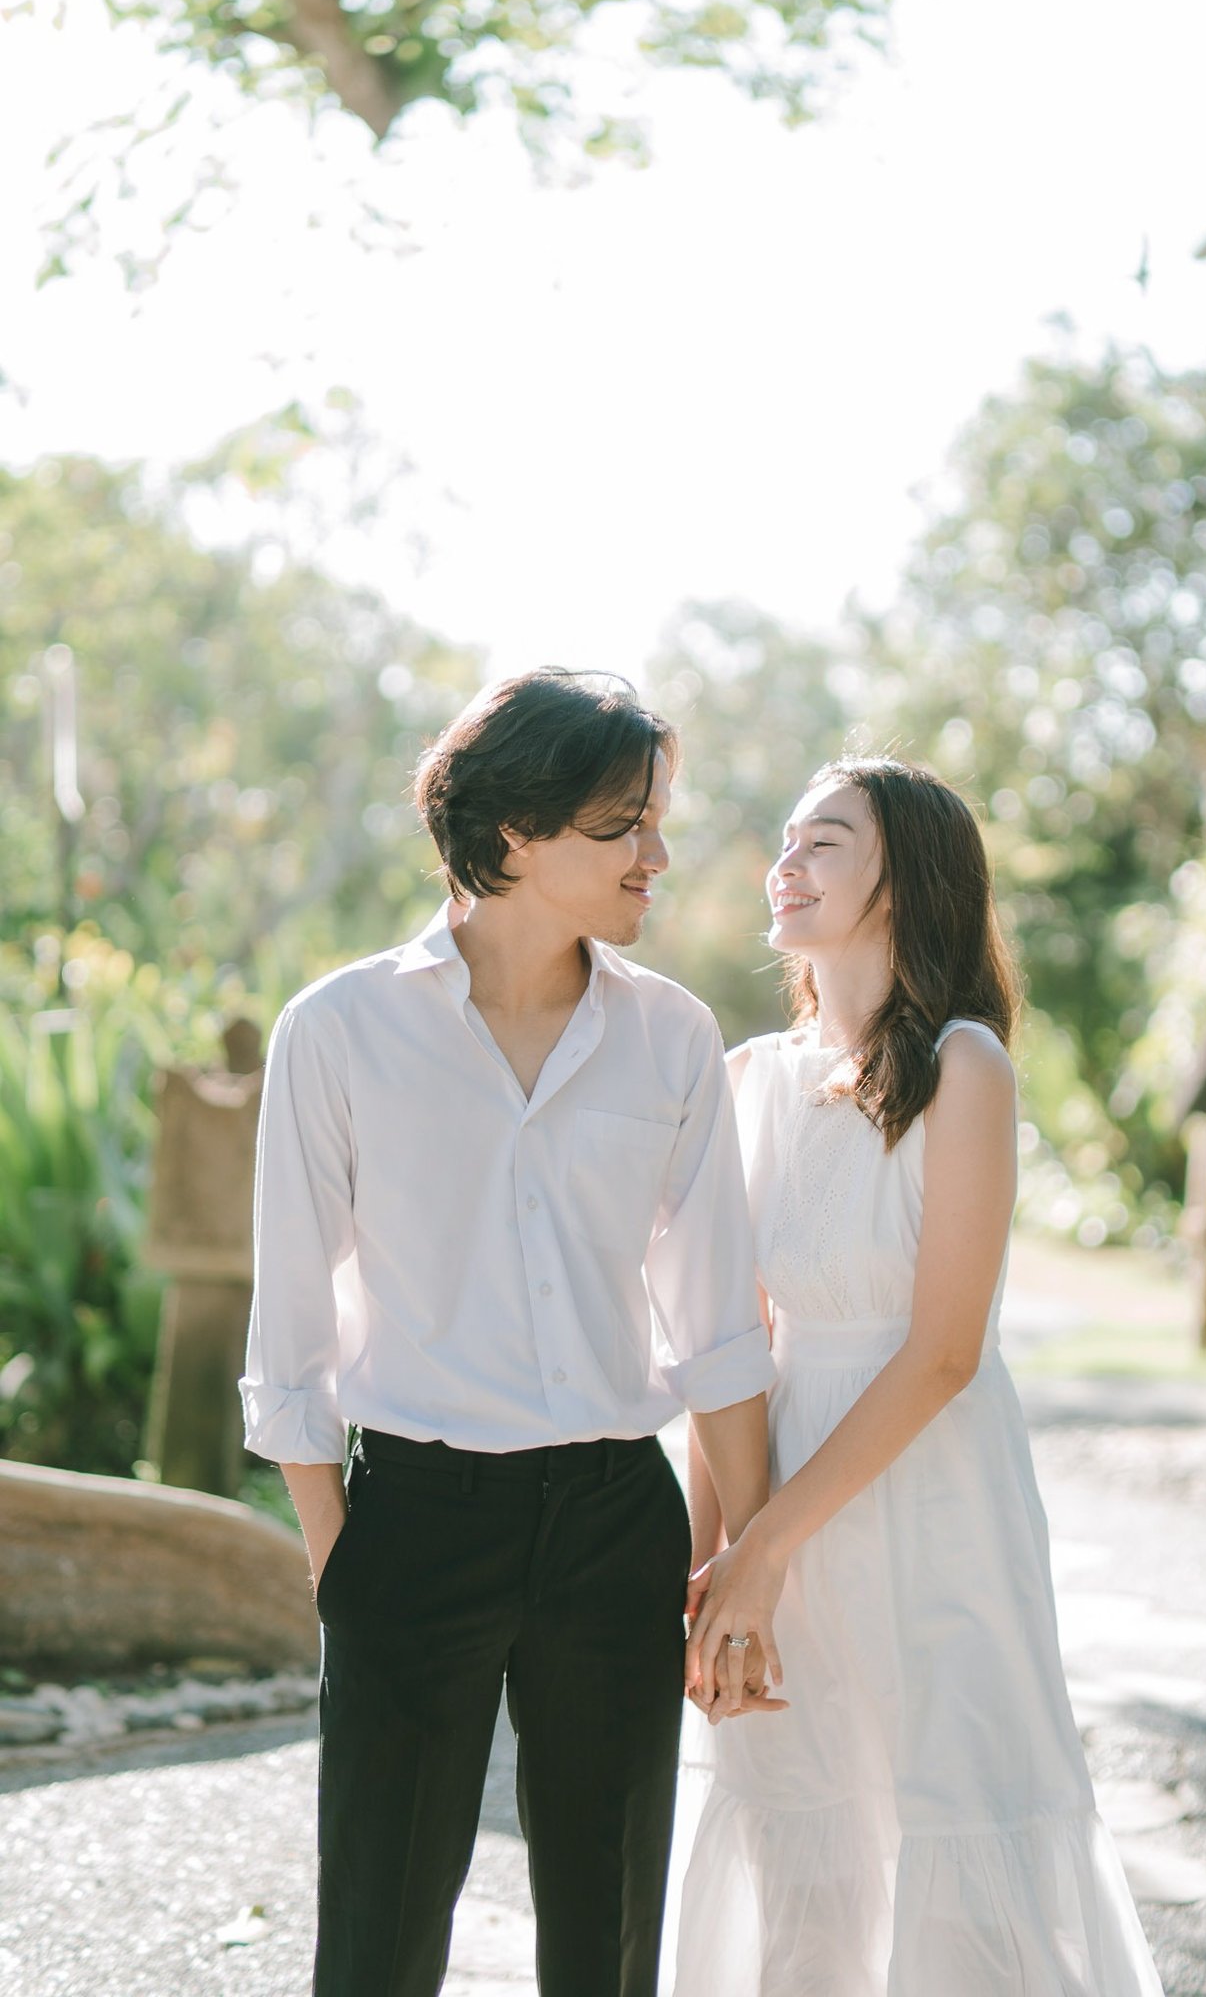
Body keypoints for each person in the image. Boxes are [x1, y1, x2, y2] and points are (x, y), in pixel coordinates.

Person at [240, 669, 776, 1997]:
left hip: (613, 1520)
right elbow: (291, 1340)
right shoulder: (341, 1032)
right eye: (624, 828)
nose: (659, 855)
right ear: (515, 836)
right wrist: (343, 1566)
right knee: (380, 1935)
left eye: (658, 822)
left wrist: (748, 1569)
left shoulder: (672, 1041)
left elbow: (718, 1334)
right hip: (411, 1516)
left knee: (608, 1942)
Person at [672, 755, 1164, 1996]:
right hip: (779, 1492)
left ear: (908, 880)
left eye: (825, 841)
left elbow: (944, 1353)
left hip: (936, 1504)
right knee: (803, 1841)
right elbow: (734, 1346)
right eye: (785, 838)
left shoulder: (965, 1069)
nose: (787, 861)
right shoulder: (749, 1079)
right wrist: (707, 1563)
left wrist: (766, 1544)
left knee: (960, 1814)